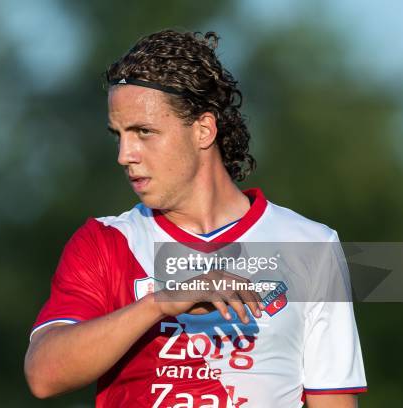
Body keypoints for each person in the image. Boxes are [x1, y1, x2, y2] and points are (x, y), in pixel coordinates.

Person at [24, 29, 366, 407]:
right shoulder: (103, 241)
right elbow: (43, 374)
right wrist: (160, 303)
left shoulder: (311, 246)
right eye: (118, 135)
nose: (125, 154)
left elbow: (332, 400)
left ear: (203, 130)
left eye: (144, 132)